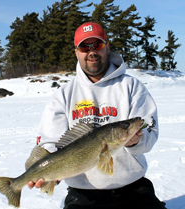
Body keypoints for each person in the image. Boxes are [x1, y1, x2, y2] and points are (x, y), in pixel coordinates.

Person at [27, 22, 166, 209]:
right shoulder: (64, 94)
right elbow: (50, 142)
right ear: (76, 52)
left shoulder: (131, 87)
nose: (91, 52)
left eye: (97, 45)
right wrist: (51, 174)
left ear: (107, 47)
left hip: (132, 188)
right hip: (83, 194)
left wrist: (135, 141)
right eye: (85, 47)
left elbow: (149, 132)